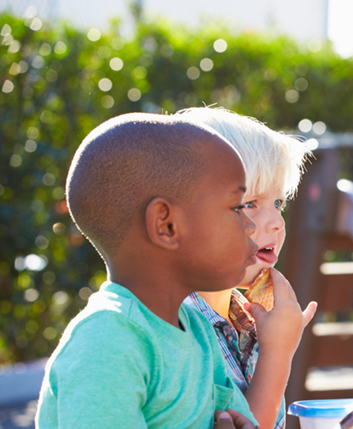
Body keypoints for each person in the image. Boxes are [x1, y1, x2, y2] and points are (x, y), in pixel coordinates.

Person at [37, 113, 260, 428]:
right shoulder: (107, 343)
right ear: (166, 225)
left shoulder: (196, 328)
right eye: (237, 207)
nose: (251, 225)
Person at [177, 107, 317, 429]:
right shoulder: (178, 329)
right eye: (251, 203)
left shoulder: (245, 318)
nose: (278, 223)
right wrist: (278, 352)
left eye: (278, 203)